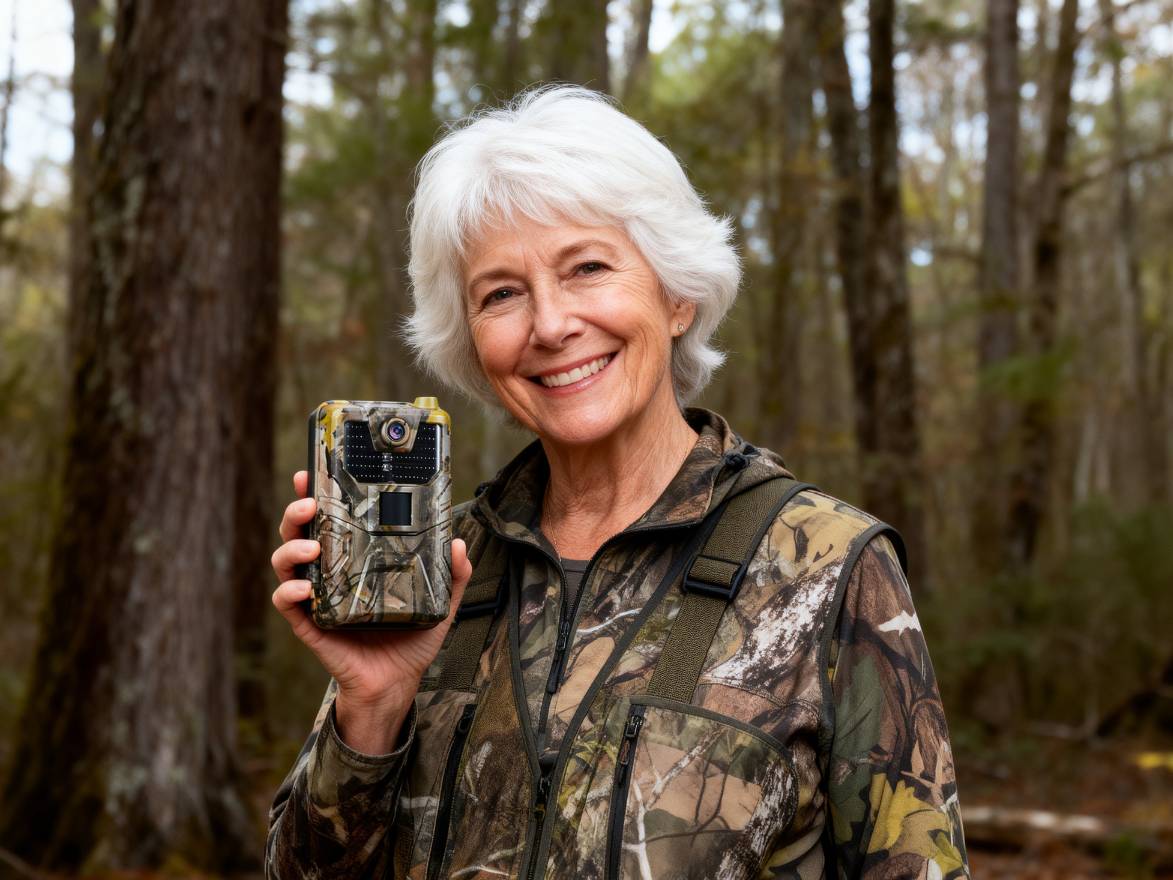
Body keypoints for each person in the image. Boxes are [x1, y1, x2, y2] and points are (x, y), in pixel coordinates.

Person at [266, 85, 969, 880]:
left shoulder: (828, 566)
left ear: (677, 294)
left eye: (588, 268)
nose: (550, 324)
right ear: (471, 341)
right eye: (501, 294)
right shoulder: (438, 570)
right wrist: (371, 707)